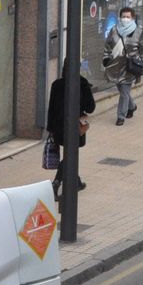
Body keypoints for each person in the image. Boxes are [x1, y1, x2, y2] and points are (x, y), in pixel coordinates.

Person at [47, 61, 97, 195]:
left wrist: (50, 128)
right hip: (75, 127)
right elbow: (91, 107)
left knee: (70, 153)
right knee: (70, 154)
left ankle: (76, 181)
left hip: (58, 127)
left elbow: (51, 109)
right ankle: (56, 183)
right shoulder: (82, 83)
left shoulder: (56, 84)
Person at [104, 7, 143, 125]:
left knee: (124, 92)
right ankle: (132, 106)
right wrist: (105, 58)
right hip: (116, 66)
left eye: (128, 17)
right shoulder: (114, 30)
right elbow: (107, 46)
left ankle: (120, 117)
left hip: (130, 67)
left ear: (132, 18)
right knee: (123, 91)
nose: (125, 19)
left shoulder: (138, 32)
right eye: (123, 16)